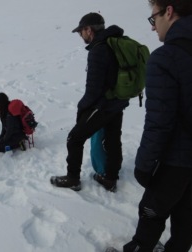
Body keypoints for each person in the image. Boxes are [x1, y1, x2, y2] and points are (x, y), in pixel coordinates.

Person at [122, 1, 192, 251]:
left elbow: (159, 124)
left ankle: (140, 247)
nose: (153, 28)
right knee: (188, 215)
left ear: (169, 11)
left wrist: (143, 167)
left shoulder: (166, 57)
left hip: (175, 160)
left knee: (152, 210)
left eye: (153, 18)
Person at [51, 13, 129, 192]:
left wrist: (82, 108)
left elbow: (93, 89)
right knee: (112, 140)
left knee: (74, 139)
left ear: (89, 29)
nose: (81, 35)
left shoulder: (99, 49)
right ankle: (110, 178)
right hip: (118, 102)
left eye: (81, 31)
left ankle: (72, 179)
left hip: (103, 105)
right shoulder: (114, 42)